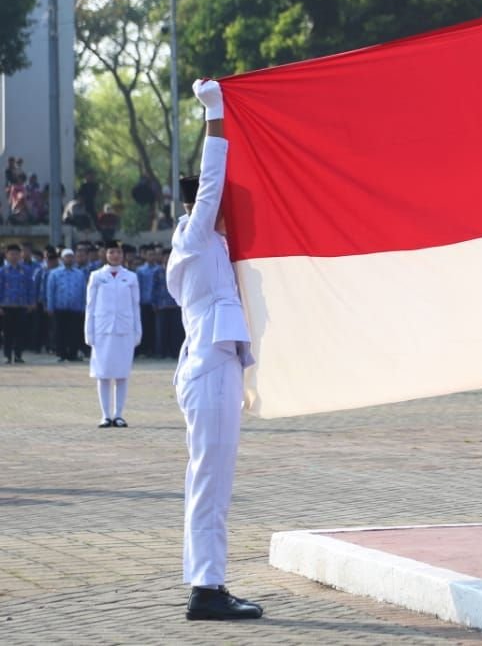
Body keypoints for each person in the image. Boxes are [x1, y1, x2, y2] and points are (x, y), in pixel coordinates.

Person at [168, 78, 263, 621]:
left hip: (213, 363)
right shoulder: (195, 235)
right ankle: (207, 589)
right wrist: (217, 115)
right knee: (210, 480)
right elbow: (209, 184)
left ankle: (208, 583)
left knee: (211, 477)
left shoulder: (215, 247)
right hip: (209, 366)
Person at [85, 241, 142, 428]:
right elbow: (90, 306)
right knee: (103, 374)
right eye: (111, 252)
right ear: (105, 254)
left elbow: (136, 306)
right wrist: (89, 331)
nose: (115, 255)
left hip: (124, 329)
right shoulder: (96, 276)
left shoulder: (131, 277)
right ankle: (105, 415)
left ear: (123, 255)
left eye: (118, 252)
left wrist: (137, 330)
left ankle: (119, 414)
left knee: (121, 374)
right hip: (102, 330)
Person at [46, 248, 88, 361]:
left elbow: (84, 290)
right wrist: (50, 306)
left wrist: (84, 305)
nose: (69, 259)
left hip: (76, 307)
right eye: (66, 257)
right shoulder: (54, 273)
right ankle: (61, 353)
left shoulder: (80, 274)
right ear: (62, 259)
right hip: (60, 307)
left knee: (74, 331)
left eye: (71, 256)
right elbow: (50, 291)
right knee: (60, 331)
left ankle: (73, 353)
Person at [0, 243, 37, 363]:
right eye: (11, 254)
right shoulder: (2, 271)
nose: (14, 256)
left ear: (20, 255)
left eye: (16, 254)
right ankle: (7, 355)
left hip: (22, 305)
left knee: (20, 332)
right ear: (6, 255)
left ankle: (18, 355)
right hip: (6, 306)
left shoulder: (26, 270)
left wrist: (31, 302)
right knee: (7, 332)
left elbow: (31, 287)